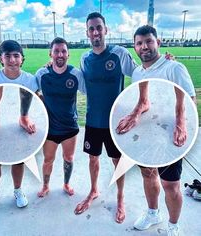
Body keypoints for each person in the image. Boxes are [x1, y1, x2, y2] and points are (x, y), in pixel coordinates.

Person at [116, 25, 196, 235]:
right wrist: (135, 113)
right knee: (148, 173)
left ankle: (173, 225)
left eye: (149, 41)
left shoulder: (173, 67)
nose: (145, 47)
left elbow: (189, 98)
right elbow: (144, 100)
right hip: (148, 133)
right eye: (140, 43)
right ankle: (153, 213)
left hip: (168, 135)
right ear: (135, 47)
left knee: (170, 184)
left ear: (158, 43)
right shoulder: (137, 71)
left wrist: (180, 122)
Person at [74, 12, 137, 223]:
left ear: (106, 30)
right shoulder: (84, 58)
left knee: (117, 160)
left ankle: (120, 198)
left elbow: (139, 75)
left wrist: (160, 64)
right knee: (93, 158)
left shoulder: (119, 53)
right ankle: (93, 191)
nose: (95, 32)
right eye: (91, 29)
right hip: (93, 120)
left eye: (98, 27)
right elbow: (81, 83)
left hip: (114, 121)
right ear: (87, 33)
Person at [0, 40, 39, 210]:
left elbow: (37, 99)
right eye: (7, 56)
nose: (12, 60)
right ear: (0, 58)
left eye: (16, 56)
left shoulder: (29, 79)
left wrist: (28, 118)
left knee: (18, 161)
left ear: (22, 59)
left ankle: (18, 190)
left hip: (18, 119)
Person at [36, 37, 85, 197]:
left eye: (63, 51)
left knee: (68, 158)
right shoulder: (42, 74)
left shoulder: (75, 74)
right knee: (48, 160)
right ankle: (45, 186)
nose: (60, 54)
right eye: (56, 51)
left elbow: (92, 88)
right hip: (50, 129)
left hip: (69, 127)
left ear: (68, 54)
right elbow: (30, 92)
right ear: (51, 54)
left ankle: (66, 184)